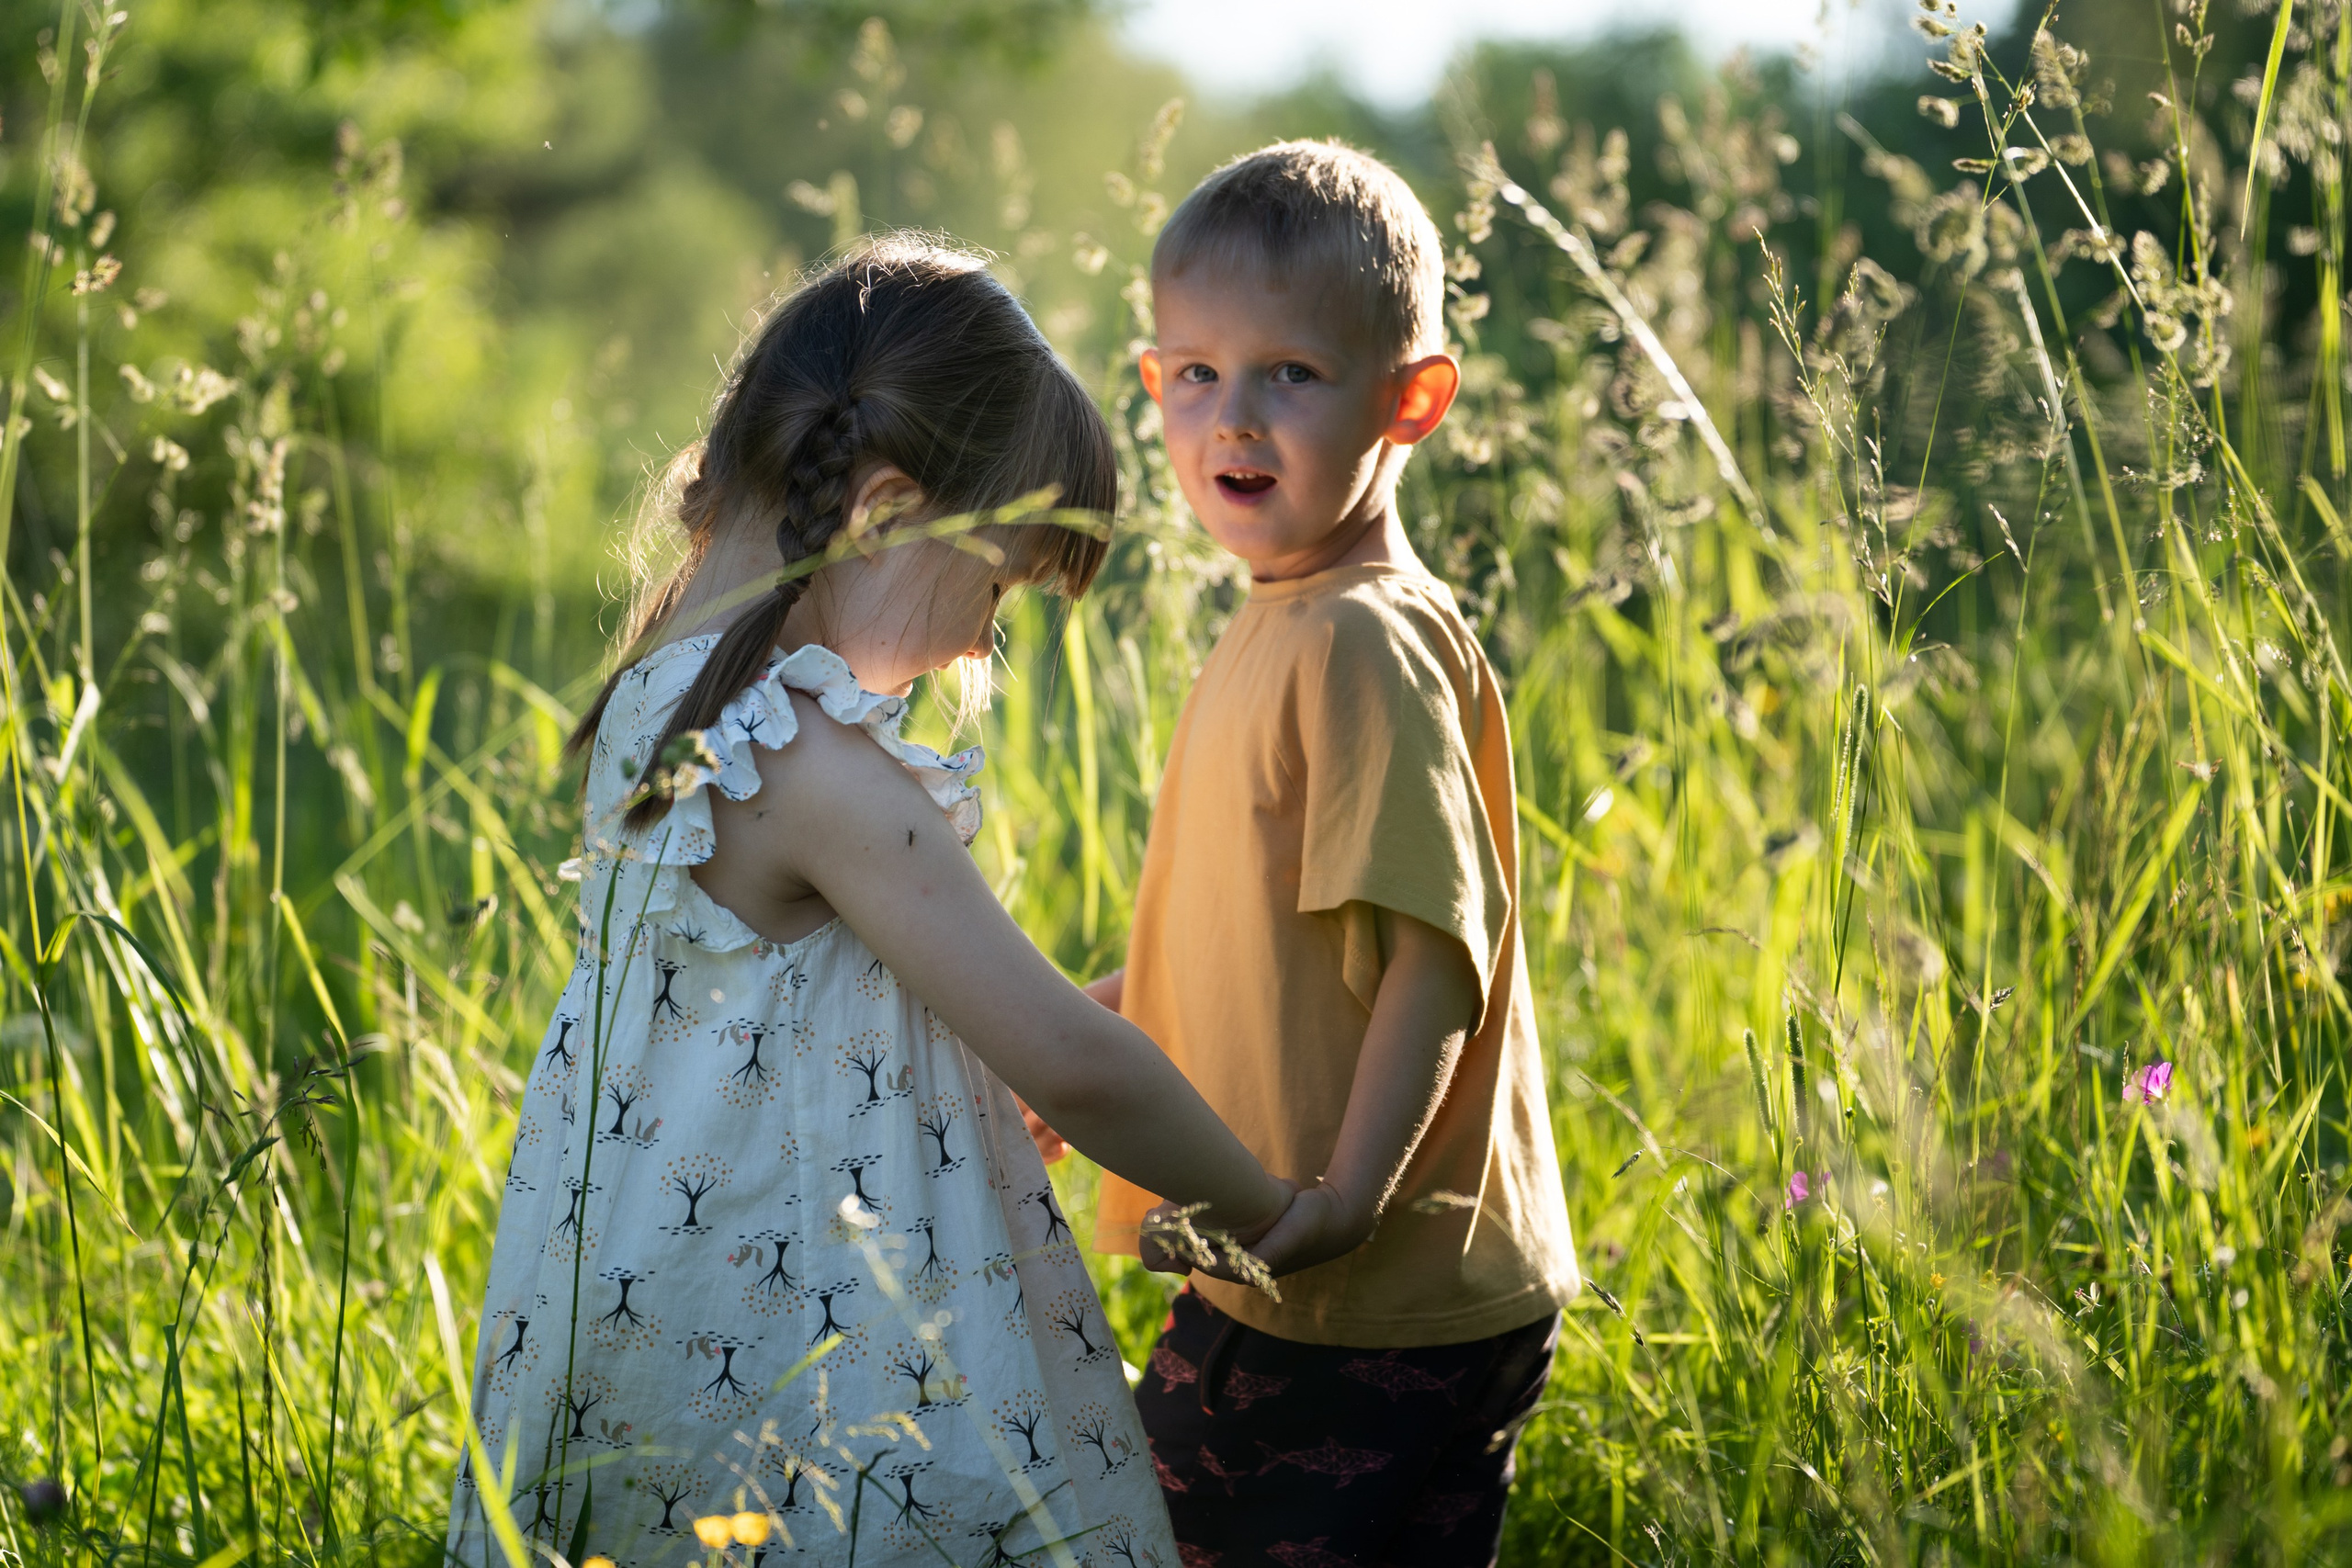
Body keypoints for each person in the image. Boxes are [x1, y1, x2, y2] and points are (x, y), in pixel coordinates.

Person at [448, 236, 1294, 1568]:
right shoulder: (811, 763)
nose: (977, 642)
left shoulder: (666, 697)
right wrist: (1274, 1211)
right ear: (890, 513)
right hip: (805, 1341)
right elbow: (1073, 1063)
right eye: (995, 586)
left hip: (659, 1287)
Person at [1070, 141, 1584, 1565]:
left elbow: (1434, 956)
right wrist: (1114, 1023)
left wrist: (1344, 1204)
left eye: (1292, 372)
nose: (1234, 417)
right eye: (1196, 373)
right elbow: (1266, 937)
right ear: (1153, 381)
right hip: (1323, 1272)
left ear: (1411, 401)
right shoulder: (1285, 617)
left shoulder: (1360, 638)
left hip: (1348, 1292)